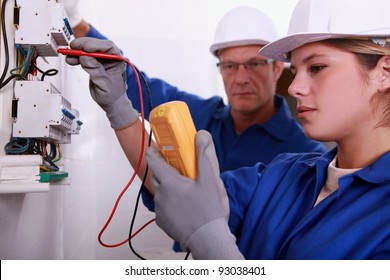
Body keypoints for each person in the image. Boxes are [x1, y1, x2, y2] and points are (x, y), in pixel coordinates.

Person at [145, 0, 390, 260]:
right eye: (295, 71)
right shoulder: (282, 173)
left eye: (316, 67)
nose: (294, 87)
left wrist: (212, 245)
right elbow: (188, 193)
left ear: (384, 72)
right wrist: (121, 111)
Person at [61, 2, 326, 185]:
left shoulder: (305, 154)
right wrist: (77, 22)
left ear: (277, 68)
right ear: (220, 69)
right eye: (230, 66)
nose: (241, 78)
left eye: (255, 64)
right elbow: (143, 87)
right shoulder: (203, 116)